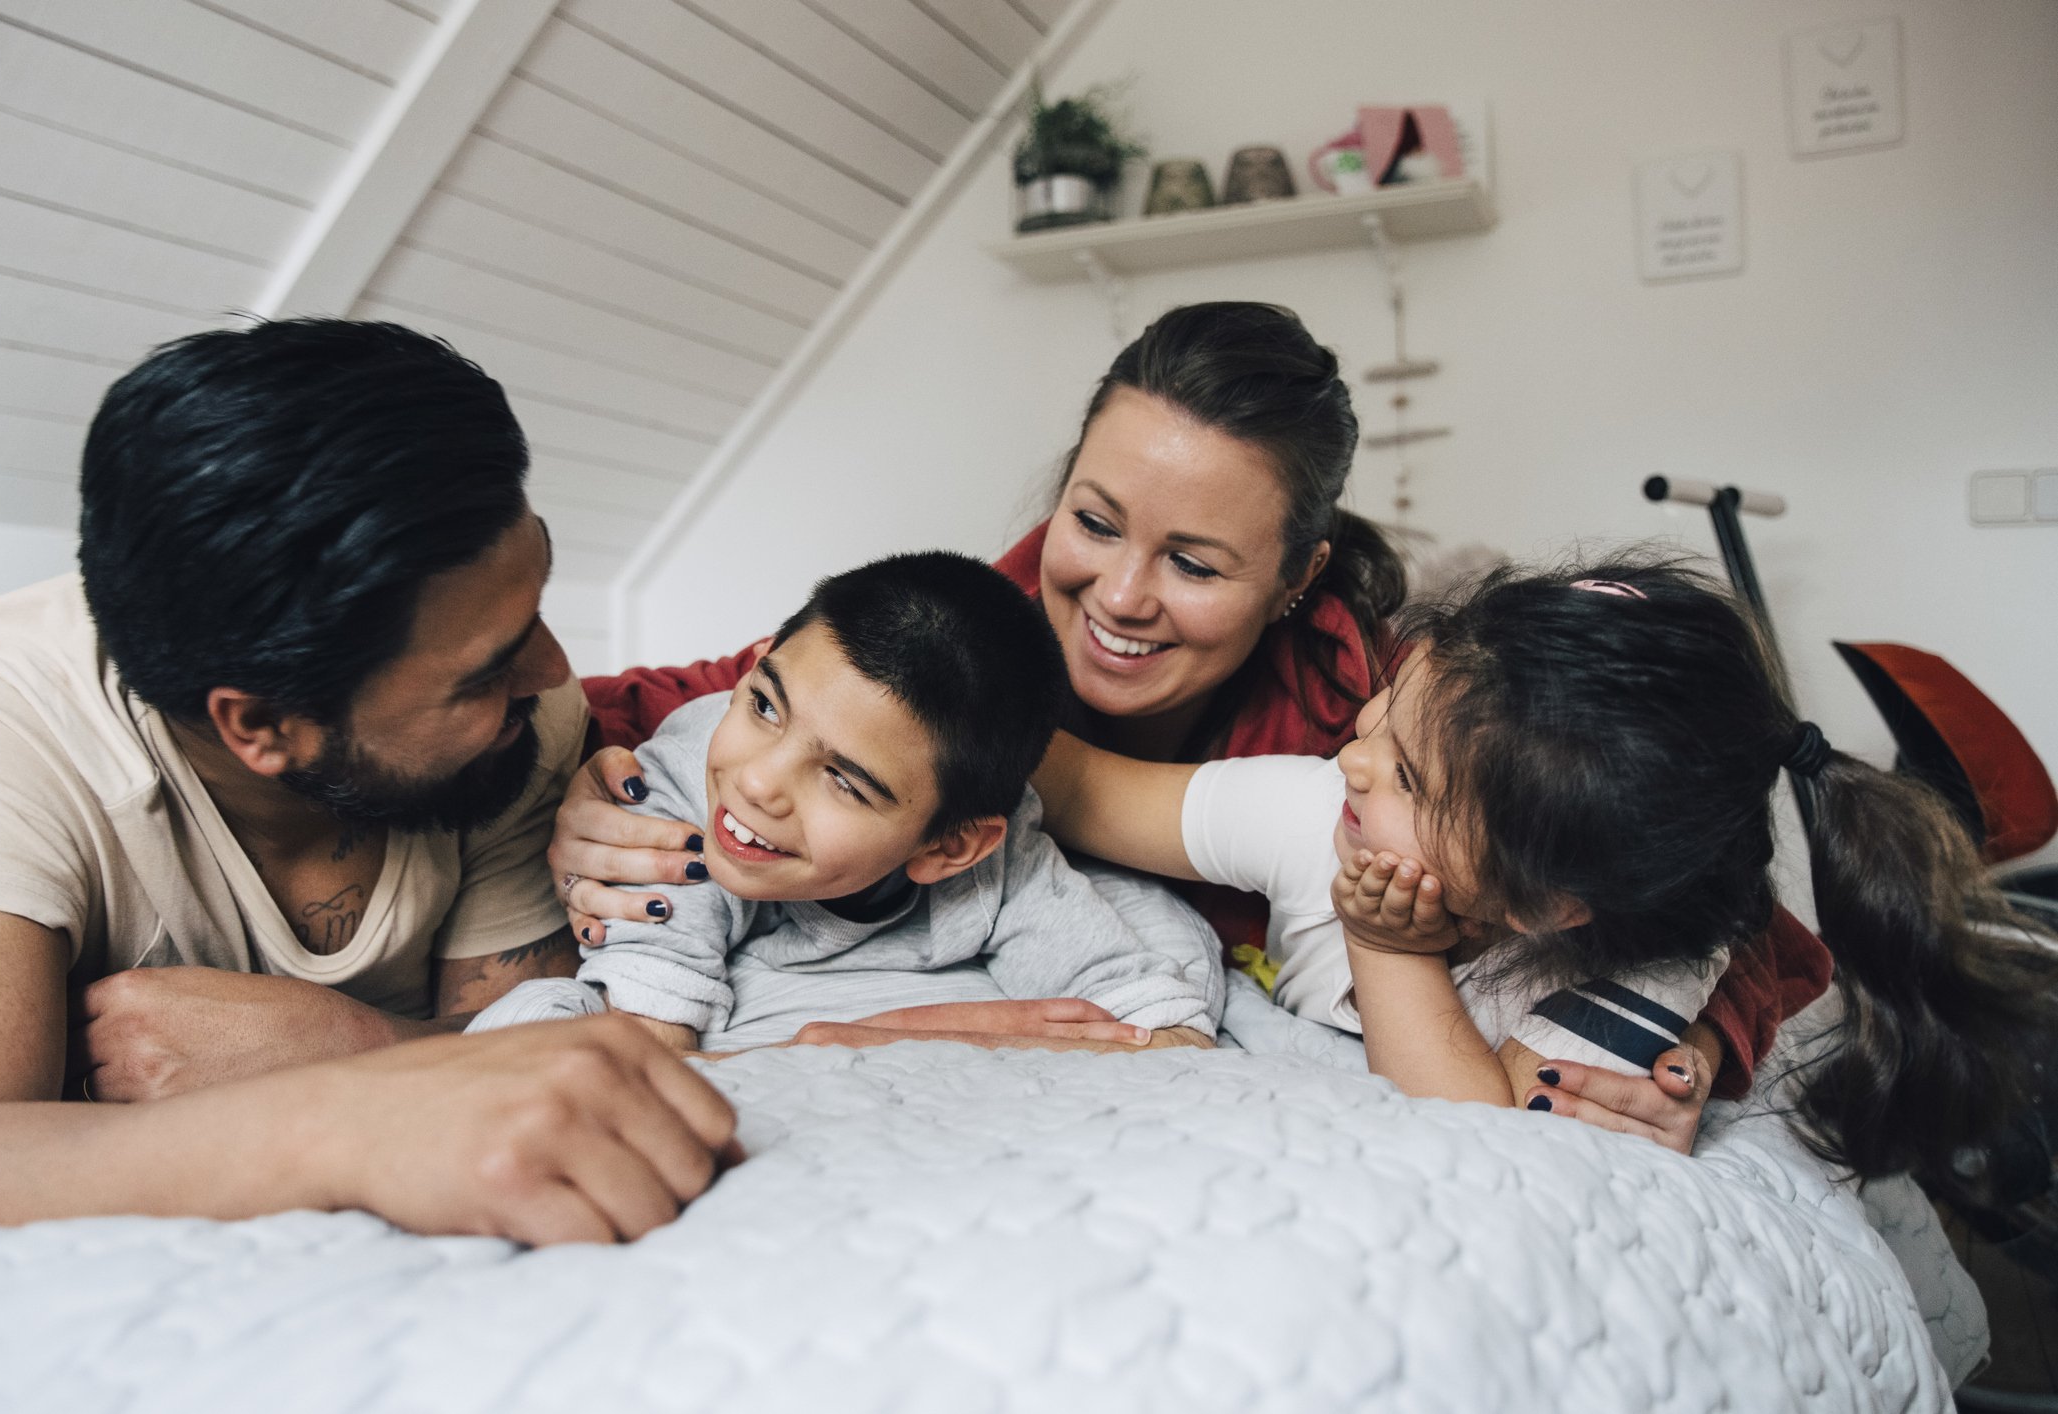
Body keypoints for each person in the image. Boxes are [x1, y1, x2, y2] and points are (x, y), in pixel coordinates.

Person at [553, 302, 1832, 1152]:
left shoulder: (1383, 721)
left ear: (1296, 578)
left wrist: (1686, 1050)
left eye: (1196, 563)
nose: (1118, 596)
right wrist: (580, 783)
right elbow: (662, 703)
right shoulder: (959, 647)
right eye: (1095, 523)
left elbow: (1712, 887)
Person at [0, 318, 738, 1242]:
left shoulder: (522, 725)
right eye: (482, 675)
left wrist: (348, 1047)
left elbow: (524, 1038)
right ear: (264, 726)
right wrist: (326, 1121)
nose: (555, 672)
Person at [1035, 555, 2058, 1187]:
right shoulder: (1322, 808)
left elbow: (1486, 1136)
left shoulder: (1655, 967)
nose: (1352, 754)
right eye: (1380, 712)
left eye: (1405, 773)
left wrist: (1388, 946)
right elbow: (1084, 792)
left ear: (1547, 903)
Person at [474, 552, 1222, 1050]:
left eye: (842, 780)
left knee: (1160, 923)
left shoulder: (998, 863)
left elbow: (1159, 1030)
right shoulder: (676, 801)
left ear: (949, 848)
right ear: (760, 662)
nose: (759, 781)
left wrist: (910, 1033)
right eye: (765, 706)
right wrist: (863, 1038)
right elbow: (645, 1049)